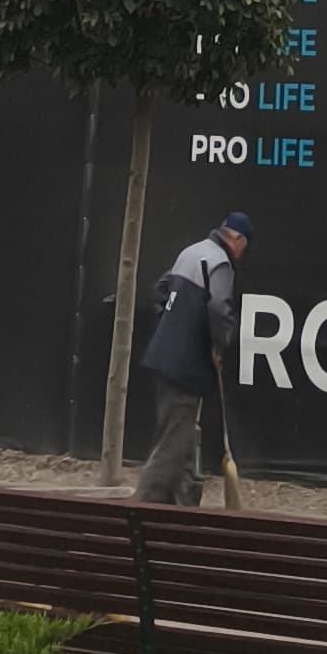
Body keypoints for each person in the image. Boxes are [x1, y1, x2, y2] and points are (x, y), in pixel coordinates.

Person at [132, 210, 249, 505]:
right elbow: (219, 309)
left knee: (179, 433)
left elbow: (160, 291)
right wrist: (220, 344)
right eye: (244, 246)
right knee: (174, 442)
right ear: (237, 239)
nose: (242, 254)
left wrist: (173, 326)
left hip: (164, 357)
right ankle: (141, 506)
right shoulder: (220, 263)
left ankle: (184, 504)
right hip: (186, 365)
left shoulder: (192, 252)